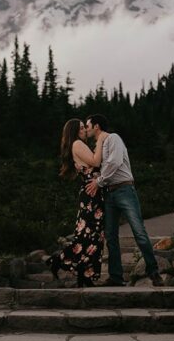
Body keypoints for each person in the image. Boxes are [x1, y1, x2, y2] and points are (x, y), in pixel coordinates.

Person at [84, 114, 163, 287]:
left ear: (96, 126)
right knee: (111, 236)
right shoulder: (99, 145)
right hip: (109, 194)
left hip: (124, 190)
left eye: (88, 126)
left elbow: (115, 162)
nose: (86, 129)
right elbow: (104, 167)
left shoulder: (114, 138)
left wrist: (98, 181)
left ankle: (153, 271)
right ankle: (116, 277)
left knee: (138, 231)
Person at [46, 118, 106, 287]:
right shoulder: (77, 144)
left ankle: (85, 274)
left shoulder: (80, 144)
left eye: (84, 128)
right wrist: (101, 139)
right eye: (80, 128)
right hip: (90, 194)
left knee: (94, 236)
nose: (84, 130)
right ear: (73, 131)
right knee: (88, 235)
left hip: (93, 192)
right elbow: (95, 162)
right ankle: (58, 260)